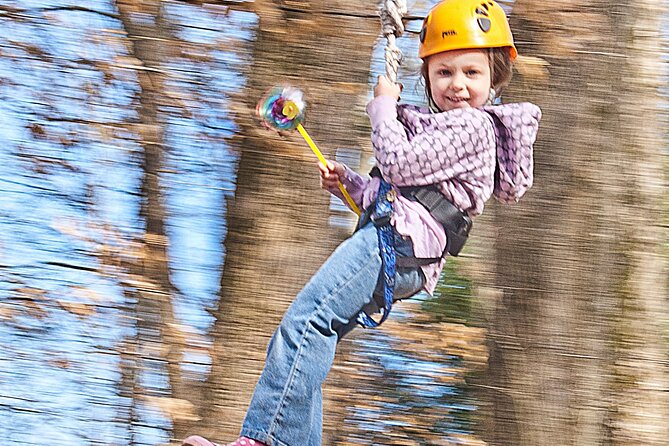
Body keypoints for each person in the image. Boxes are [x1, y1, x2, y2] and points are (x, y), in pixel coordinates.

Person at [183, 0, 541, 445]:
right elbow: (409, 193)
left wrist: (383, 106)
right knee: (320, 331)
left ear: (495, 78)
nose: (458, 85)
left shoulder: (474, 128)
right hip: (404, 244)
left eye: (472, 73)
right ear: (428, 76)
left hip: (399, 243)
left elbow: (399, 164)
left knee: (307, 321)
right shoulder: (443, 129)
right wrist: (352, 186)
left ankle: (267, 439)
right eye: (444, 72)